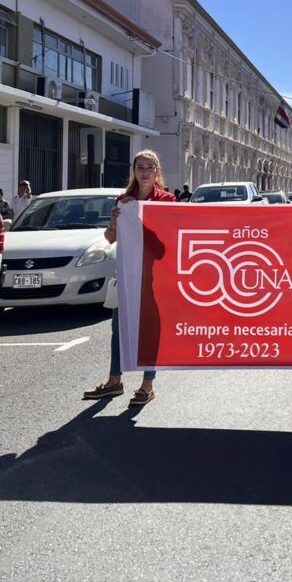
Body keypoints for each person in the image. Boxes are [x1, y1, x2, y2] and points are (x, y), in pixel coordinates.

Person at [83, 149, 176, 406]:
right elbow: (110, 239)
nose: (144, 172)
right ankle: (114, 381)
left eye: (149, 167)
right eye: (140, 168)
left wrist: (143, 220)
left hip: (154, 276)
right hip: (126, 271)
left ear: (157, 171)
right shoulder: (123, 199)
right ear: (134, 171)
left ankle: (147, 384)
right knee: (118, 327)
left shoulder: (166, 200)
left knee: (150, 328)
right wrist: (114, 222)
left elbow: (168, 243)